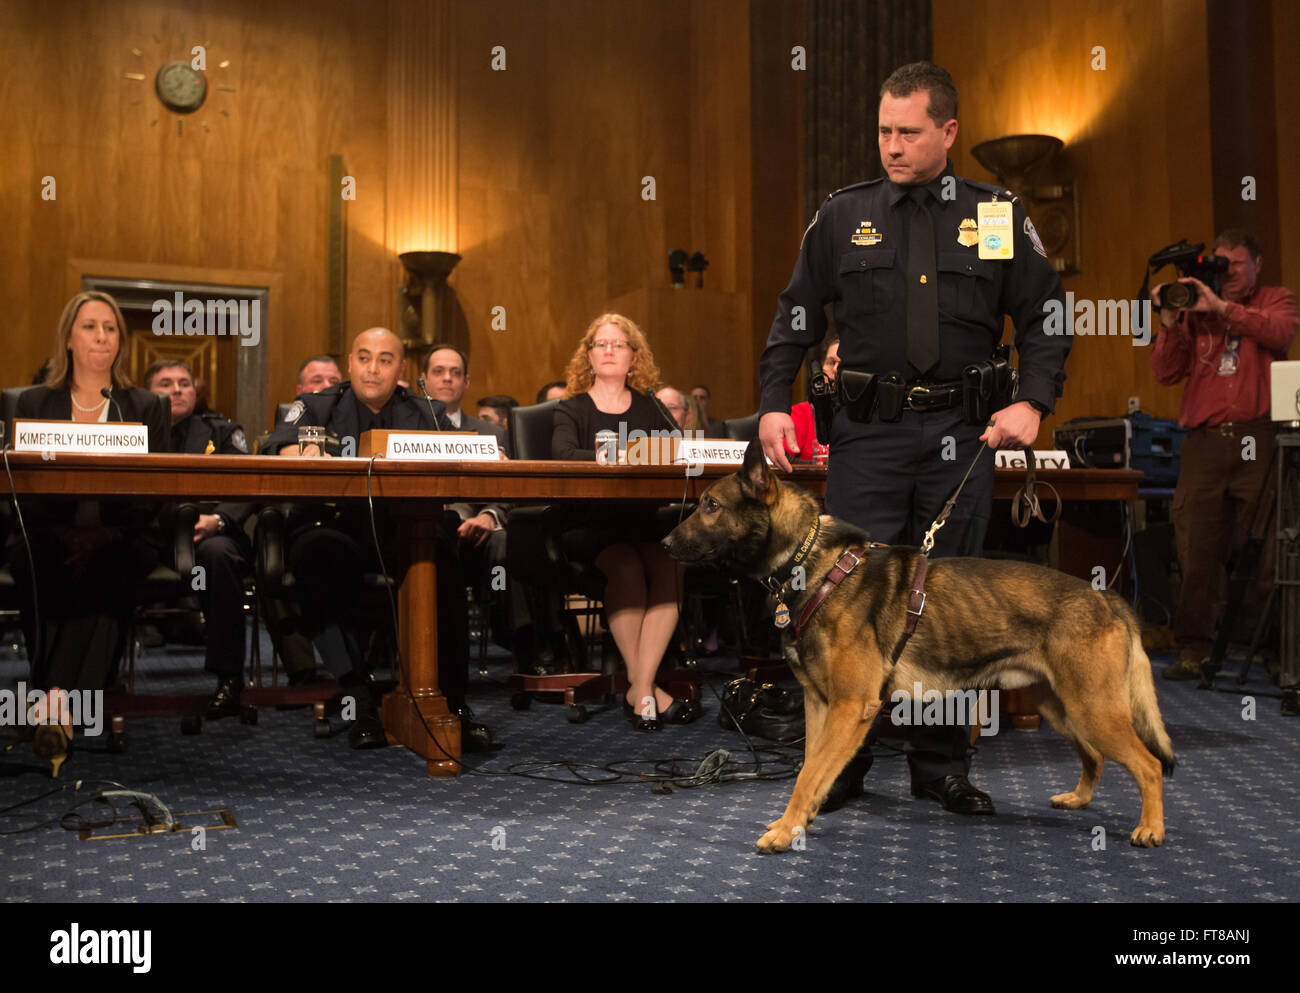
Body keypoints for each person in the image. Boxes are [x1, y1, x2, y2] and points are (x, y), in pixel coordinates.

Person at [758, 62, 1070, 815]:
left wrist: (1034, 399)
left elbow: (1047, 316)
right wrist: (773, 401)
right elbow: (795, 314)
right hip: (867, 435)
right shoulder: (842, 214)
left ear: (948, 131)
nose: (891, 146)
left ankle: (941, 766)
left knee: (952, 600)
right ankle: (846, 763)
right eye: (883, 132)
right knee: (847, 598)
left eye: (908, 132)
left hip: (963, 433)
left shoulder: (997, 213)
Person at [262, 328, 491, 751]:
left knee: (443, 550)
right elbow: (278, 447)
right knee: (314, 553)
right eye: (364, 357)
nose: (373, 368)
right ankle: (357, 696)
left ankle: (452, 702)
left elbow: (464, 459)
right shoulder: (316, 405)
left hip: (405, 529)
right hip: (335, 527)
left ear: (401, 369)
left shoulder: (427, 411)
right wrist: (306, 455)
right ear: (349, 363)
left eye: (386, 360)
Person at [8, 291, 170, 776]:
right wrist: (68, 533)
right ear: (69, 338)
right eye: (90, 327)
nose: (102, 336)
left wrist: (100, 534)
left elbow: (158, 488)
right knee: (36, 558)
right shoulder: (35, 402)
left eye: (111, 328)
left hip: (124, 535)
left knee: (111, 563)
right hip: (50, 534)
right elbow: (22, 486)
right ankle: (75, 706)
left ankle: (54, 700)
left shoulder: (145, 405)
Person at [1150, 228, 1298, 679]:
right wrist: (1170, 322)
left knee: (1267, 550)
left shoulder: (1276, 298)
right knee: (1195, 546)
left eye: (1235, 264)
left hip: (1260, 435)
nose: (1227, 273)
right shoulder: (1196, 311)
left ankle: (1272, 651)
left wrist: (1224, 310)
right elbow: (1165, 373)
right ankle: (1194, 647)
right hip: (1204, 442)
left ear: (1257, 264)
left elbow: (1279, 334)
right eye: (1220, 264)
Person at [553, 313, 699, 730]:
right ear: (589, 355)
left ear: (634, 357)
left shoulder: (650, 404)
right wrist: (626, 454)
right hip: (588, 523)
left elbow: (677, 451)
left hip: (642, 519)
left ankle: (640, 687)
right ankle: (648, 690)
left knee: (669, 564)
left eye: (620, 344)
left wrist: (632, 453)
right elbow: (563, 456)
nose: (610, 351)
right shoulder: (572, 407)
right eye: (602, 344)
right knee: (628, 566)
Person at [144, 359, 256, 719]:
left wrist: (219, 519)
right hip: (152, 538)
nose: (177, 389)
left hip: (207, 535)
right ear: (148, 395)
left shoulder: (220, 432)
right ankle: (98, 684)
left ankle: (229, 681)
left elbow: (248, 485)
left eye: (184, 383)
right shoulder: (132, 433)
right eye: (165, 384)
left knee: (220, 555)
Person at [787, 333, 840, 462]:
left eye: (843, 364)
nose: (836, 369)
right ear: (821, 369)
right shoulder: (800, 414)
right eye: (831, 363)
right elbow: (781, 460)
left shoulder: (868, 419)